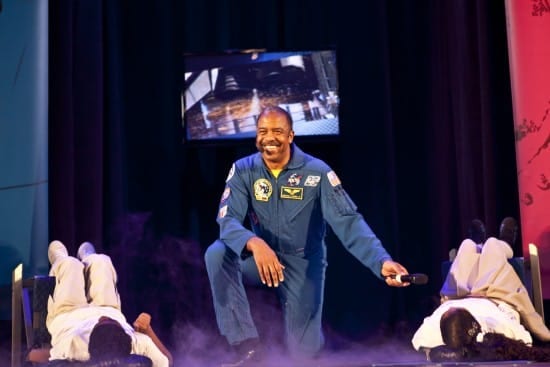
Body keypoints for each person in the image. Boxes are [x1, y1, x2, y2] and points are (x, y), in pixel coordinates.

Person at [204, 105, 410, 366]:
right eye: (263, 131)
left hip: (303, 264)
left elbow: (350, 223)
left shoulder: (317, 172)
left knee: (303, 357)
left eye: (278, 131)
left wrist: (382, 262)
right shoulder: (243, 170)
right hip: (261, 260)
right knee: (218, 253)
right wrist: (254, 242)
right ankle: (248, 347)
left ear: (291, 135)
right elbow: (227, 219)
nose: (270, 138)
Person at [412, 217, 550, 362]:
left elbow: (417, 342)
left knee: (466, 245)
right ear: (476, 326)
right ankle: (505, 242)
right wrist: (544, 334)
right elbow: (526, 335)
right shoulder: (496, 331)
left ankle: (476, 243)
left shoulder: (430, 335)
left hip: (460, 296)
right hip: (495, 296)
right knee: (492, 246)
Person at [29, 240, 173, 366]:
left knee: (70, 265)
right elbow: (168, 360)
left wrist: (27, 355)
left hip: (69, 315)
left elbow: (38, 356)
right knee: (102, 261)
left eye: (101, 323)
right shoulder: (136, 342)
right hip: (108, 308)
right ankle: (90, 258)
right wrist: (147, 330)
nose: (100, 318)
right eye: (112, 323)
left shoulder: (75, 346)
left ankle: (60, 259)